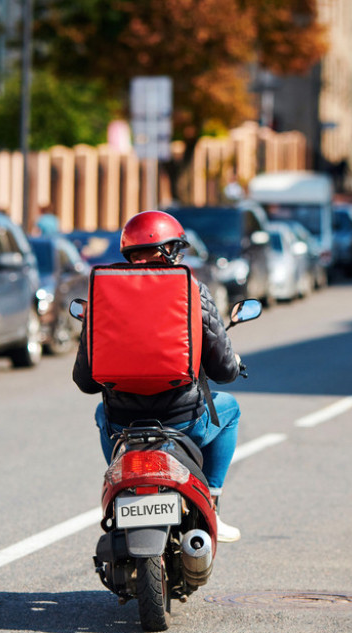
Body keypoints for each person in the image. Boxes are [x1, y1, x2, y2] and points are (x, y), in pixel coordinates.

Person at [72, 210, 244, 542]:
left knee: (100, 412)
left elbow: (85, 381)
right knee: (230, 408)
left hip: (123, 423)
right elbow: (223, 370)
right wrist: (233, 363)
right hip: (183, 421)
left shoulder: (101, 295)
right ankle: (212, 503)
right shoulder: (192, 289)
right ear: (169, 251)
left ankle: (123, 487)